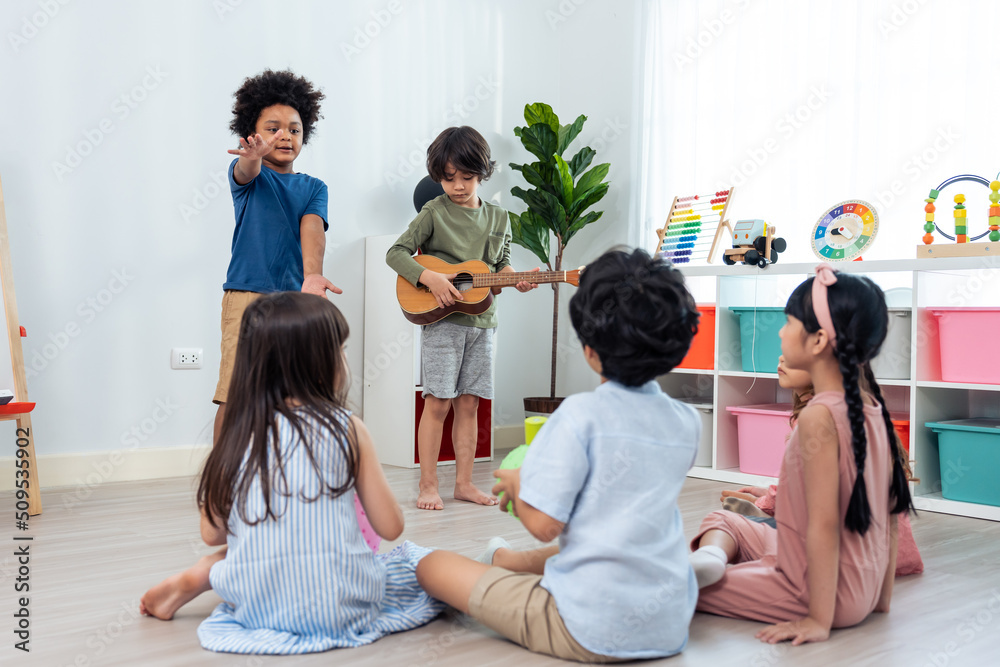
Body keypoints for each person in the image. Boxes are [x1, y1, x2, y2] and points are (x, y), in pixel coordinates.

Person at [415, 248, 703, 662]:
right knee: (605, 538)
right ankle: (503, 559)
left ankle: (497, 560)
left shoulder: (580, 415)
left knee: (434, 565)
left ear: (589, 349)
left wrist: (520, 487)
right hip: (672, 623)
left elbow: (547, 527)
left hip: (583, 628)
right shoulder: (686, 420)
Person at [140, 293, 443, 654]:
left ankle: (205, 575)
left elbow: (212, 534)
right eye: (341, 349)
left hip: (258, 607)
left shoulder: (236, 433)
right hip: (346, 608)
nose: (345, 359)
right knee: (412, 559)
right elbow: (390, 528)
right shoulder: (348, 428)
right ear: (320, 362)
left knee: (250, 548)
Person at [689, 264, 915, 645]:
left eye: (789, 322)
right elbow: (892, 513)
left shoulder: (818, 417)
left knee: (670, 585)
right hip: (857, 586)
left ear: (818, 341)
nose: (780, 331)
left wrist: (817, 620)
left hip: (810, 590)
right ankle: (712, 561)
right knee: (727, 520)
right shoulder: (870, 408)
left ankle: (704, 569)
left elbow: (823, 526)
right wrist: (881, 598)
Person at [386, 126, 537, 510]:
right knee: (437, 403)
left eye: (466, 177)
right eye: (448, 178)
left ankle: (465, 483)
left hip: (483, 324)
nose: (457, 186)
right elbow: (396, 253)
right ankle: (428, 485)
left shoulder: (500, 218)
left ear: (483, 173)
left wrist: (515, 280)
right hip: (442, 323)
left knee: (469, 404)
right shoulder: (434, 212)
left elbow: (500, 269)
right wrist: (430, 276)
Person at [213, 69, 341, 444]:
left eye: (294, 129)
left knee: (292, 394)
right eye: (273, 128)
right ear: (252, 134)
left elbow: (313, 229)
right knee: (236, 393)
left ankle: (278, 473)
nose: (285, 135)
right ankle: (223, 485)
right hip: (246, 297)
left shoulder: (313, 187)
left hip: (292, 300)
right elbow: (245, 168)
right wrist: (252, 157)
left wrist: (313, 276)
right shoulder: (251, 177)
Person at [719, 357, 924, 576]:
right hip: (897, 559)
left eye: (792, 354)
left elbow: (805, 494)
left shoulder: (815, 418)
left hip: (847, 559)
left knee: (722, 523)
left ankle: (765, 521)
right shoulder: (861, 414)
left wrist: (766, 501)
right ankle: (767, 518)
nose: (780, 358)